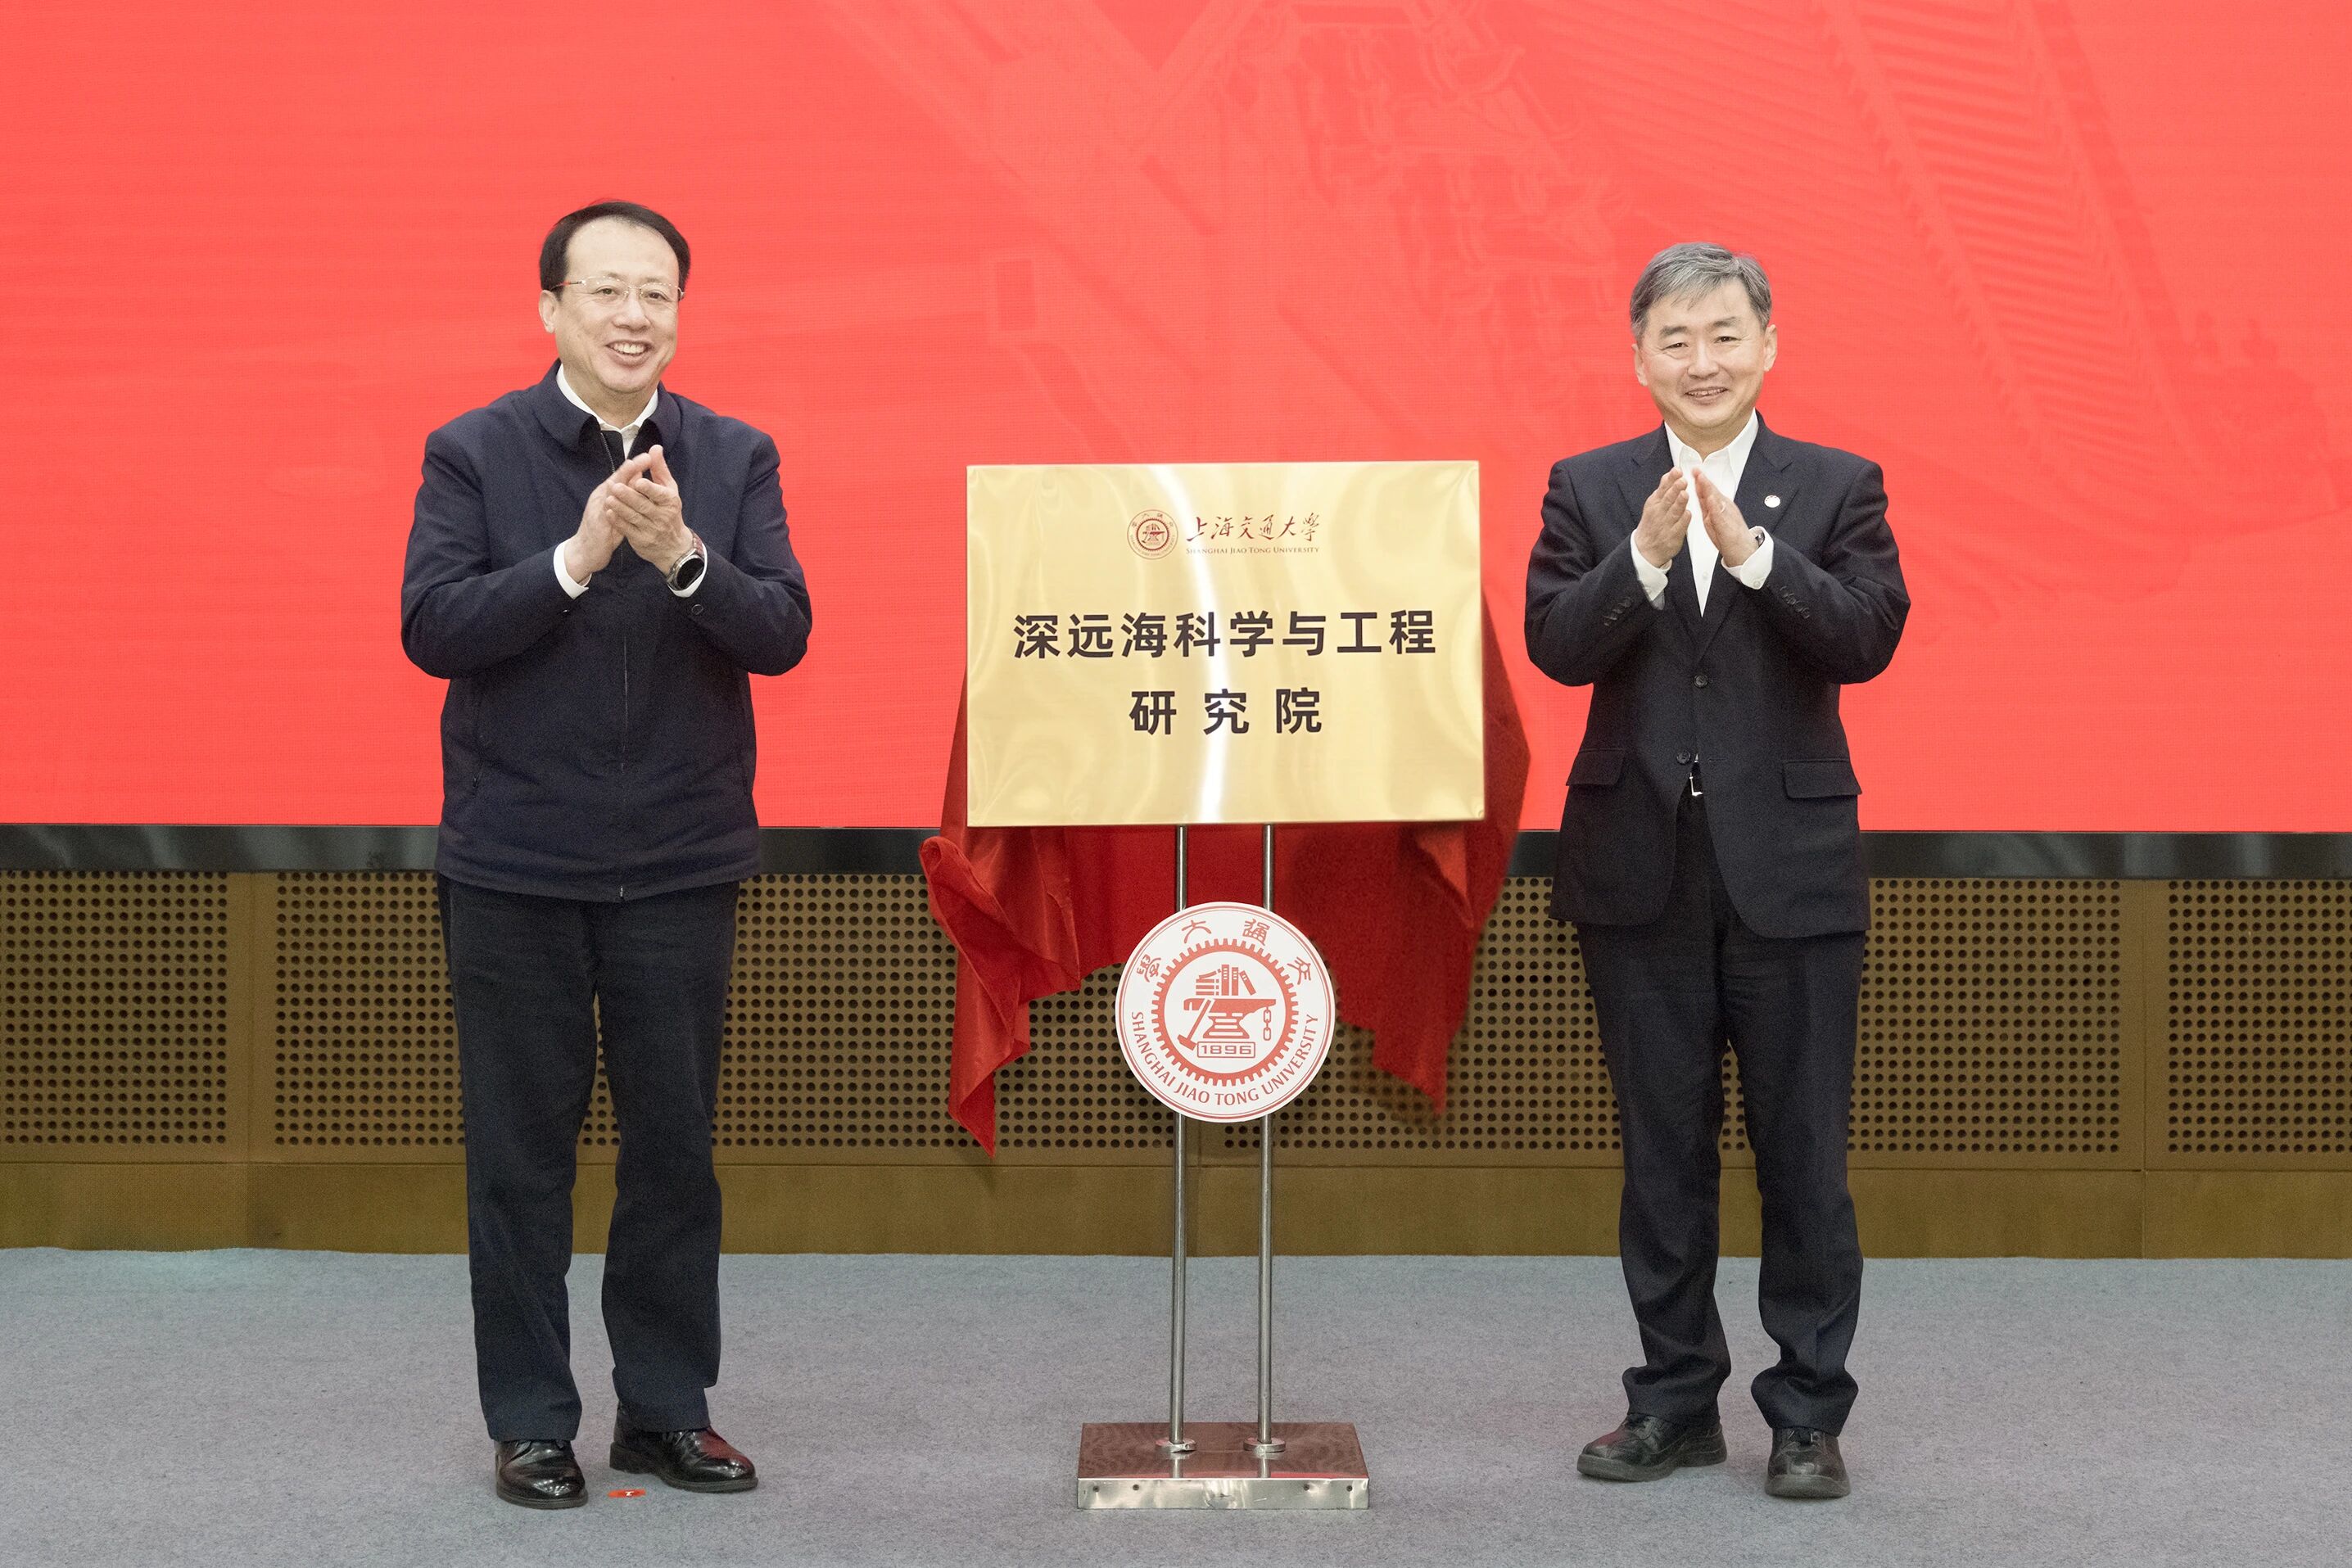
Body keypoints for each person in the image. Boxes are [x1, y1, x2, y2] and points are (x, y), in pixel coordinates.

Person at [401, 200, 812, 1509]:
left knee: (674, 1155)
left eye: (658, 295)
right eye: (607, 292)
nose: (635, 317)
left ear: (680, 313)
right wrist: (577, 557)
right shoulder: (474, 451)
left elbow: (783, 631)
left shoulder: (733, 457)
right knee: (519, 1161)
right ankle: (531, 1422)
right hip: (516, 864)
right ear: (552, 309)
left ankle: (666, 1413)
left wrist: (682, 556)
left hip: (681, 861)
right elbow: (434, 626)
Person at [1522, 242, 1907, 1500]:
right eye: (1676, 339)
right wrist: (1640, 559)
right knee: (1662, 1159)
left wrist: (1754, 556)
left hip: (1791, 873)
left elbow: (1866, 637)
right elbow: (1555, 646)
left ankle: (1806, 1416)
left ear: (1768, 346)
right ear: (1639, 358)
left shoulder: (1837, 485)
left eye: (1725, 335)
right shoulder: (1589, 487)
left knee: (1804, 1156)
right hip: (1638, 870)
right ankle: (1674, 1403)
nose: (1703, 361)